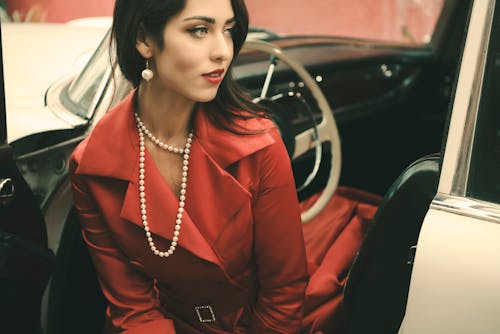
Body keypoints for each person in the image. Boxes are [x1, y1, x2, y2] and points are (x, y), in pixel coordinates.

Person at [69, 0, 309, 332]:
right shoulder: (92, 166)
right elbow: (132, 307)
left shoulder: (259, 144)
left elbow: (284, 293)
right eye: (199, 30)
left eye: (228, 30)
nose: (223, 51)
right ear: (144, 39)